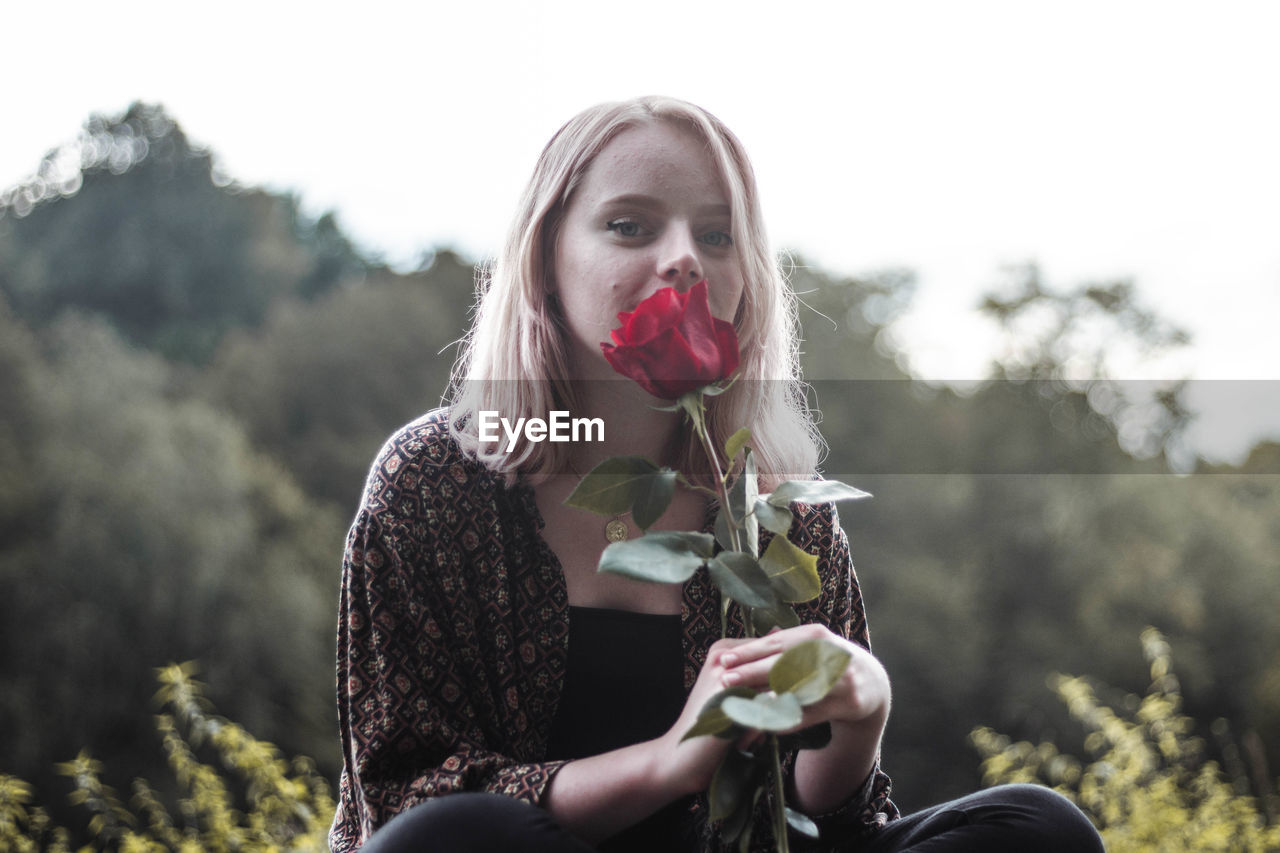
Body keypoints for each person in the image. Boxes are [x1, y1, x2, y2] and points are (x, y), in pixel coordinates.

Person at [329, 96, 1104, 853]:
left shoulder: (773, 506)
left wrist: (860, 723)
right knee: (459, 835)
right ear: (546, 258)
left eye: (717, 234)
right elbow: (403, 803)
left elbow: (828, 825)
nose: (683, 259)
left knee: (1041, 828)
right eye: (628, 226)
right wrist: (670, 762)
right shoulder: (433, 481)